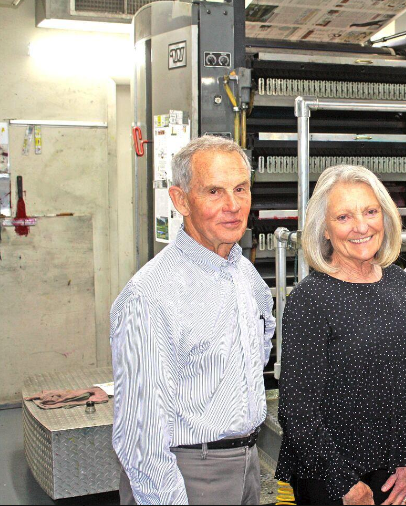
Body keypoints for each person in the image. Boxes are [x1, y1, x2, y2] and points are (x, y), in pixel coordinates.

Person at [110, 135, 274, 505]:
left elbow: (258, 349)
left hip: (246, 464)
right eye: (214, 192)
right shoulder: (150, 295)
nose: (233, 206)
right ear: (181, 200)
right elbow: (140, 436)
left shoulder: (245, 274)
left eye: (241, 189)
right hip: (186, 473)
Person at [275, 165, 406, 506]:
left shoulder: (397, 281)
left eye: (370, 211)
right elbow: (296, 410)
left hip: (393, 472)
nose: (362, 227)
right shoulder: (311, 298)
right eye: (344, 217)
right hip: (333, 478)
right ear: (325, 231)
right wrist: (345, 484)